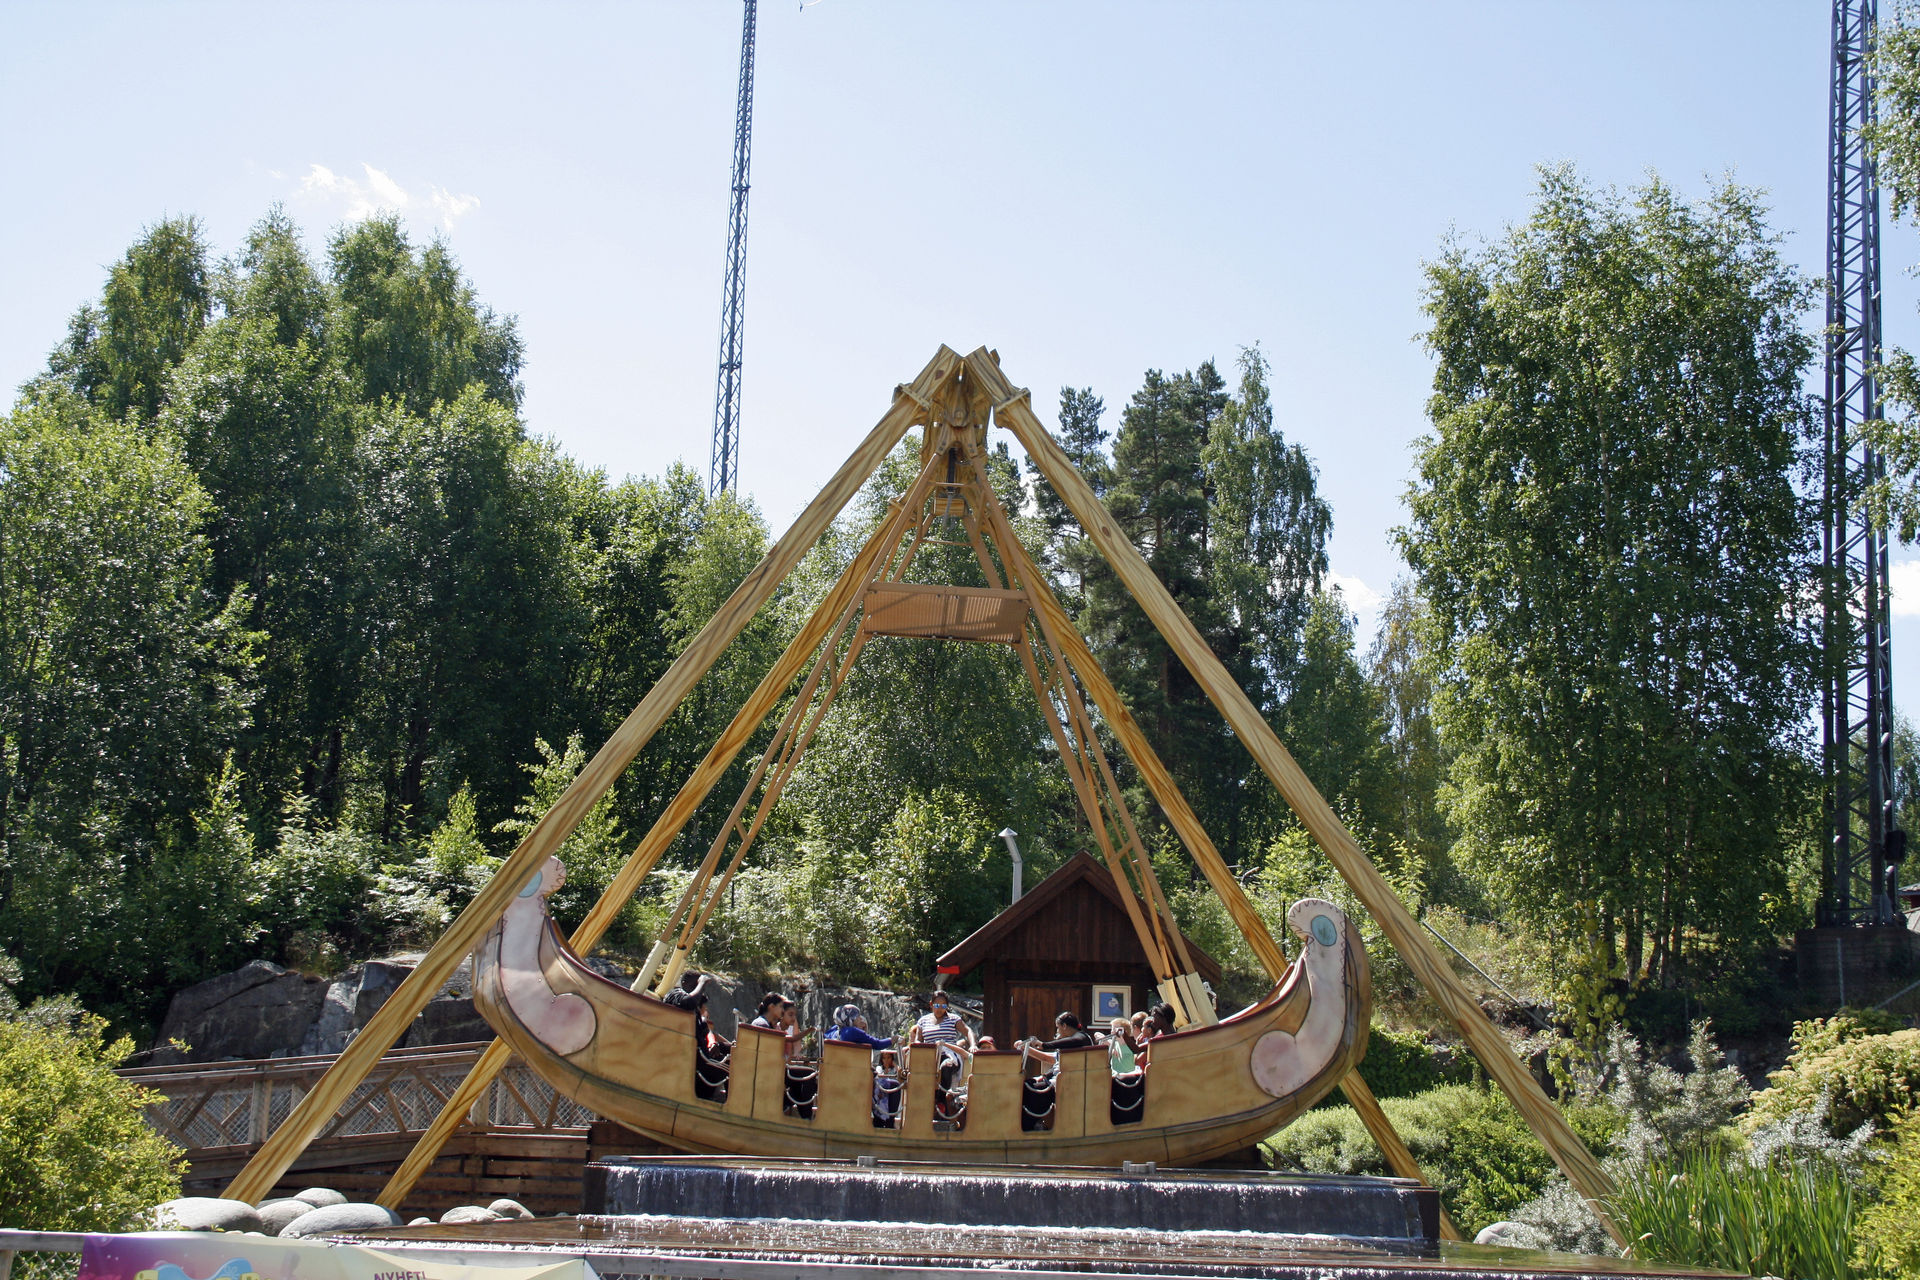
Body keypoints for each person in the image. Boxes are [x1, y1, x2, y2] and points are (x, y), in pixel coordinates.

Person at [1017, 1011, 1093, 1073]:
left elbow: (1075, 1040)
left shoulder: (1082, 1037)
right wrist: (1026, 1048)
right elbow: (1047, 1057)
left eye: (1057, 1027)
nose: (1057, 1031)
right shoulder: (1071, 1044)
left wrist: (1044, 1045)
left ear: (1064, 1026)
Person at [910, 992, 976, 1050]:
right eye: (937, 1005)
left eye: (943, 1006)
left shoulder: (954, 1019)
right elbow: (918, 1040)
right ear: (931, 1004)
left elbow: (968, 1031)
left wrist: (973, 1045)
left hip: (950, 1055)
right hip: (930, 1055)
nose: (940, 1009)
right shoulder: (923, 1021)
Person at [825, 1004, 892, 1049]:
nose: (860, 1018)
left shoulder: (833, 1031)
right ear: (850, 1019)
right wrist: (893, 1039)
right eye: (857, 1016)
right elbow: (878, 1044)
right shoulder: (852, 1032)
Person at [872, 1048, 903, 1126]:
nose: (886, 1060)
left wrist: (895, 1066)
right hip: (882, 1094)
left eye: (888, 1058)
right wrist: (885, 1070)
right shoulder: (879, 1068)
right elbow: (880, 1080)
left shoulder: (895, 1069)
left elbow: (901, 1080)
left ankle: (890, 1121)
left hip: (893, 1093)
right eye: (884, 1058)